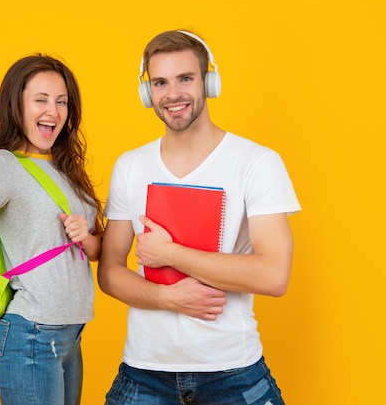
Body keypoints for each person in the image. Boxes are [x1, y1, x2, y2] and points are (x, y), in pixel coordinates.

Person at [98, 30, 301, 405]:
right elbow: (109, 273)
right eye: (160, 82)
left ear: (209, 82)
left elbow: (274, 275)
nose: (172, 94)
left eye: (185, 79)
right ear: (148, 93)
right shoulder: (130, 166)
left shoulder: (257, 163)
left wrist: (171, 254)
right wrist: (167, 297)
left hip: (232, 370)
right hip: (144, 370)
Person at [0, 54, 104, 405]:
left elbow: (97, 250)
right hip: (31, 338)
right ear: (17, 105)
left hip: (70, 337)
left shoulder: (66, 168)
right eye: (40, 100)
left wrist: (86, 238)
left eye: (61, 102)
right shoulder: (5, 165)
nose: (53, 111)